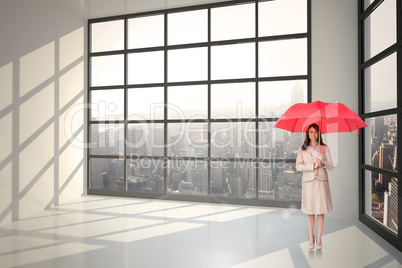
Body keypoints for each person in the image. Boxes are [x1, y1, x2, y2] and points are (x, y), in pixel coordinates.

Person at [296, 123, 334, 250]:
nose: (313, 134)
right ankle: (311, 237)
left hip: (321, 181)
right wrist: (312, 165)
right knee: (310, 211)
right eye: (311, 131)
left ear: (319, 134)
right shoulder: (302, 149)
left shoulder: (324, 148)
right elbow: (298, 166)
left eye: (316, 132)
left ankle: (319, 237)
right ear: (308, 133)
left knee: (320, 210)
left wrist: (322, 161)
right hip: (308, 182)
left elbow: (331, 167)